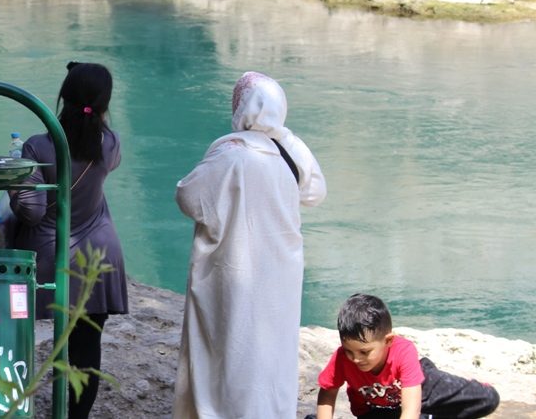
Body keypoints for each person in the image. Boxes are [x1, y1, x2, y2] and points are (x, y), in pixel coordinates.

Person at [172, 71, 327, 418]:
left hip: (233, 271)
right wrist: (282, 134)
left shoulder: (231, 153)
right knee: (272, 355)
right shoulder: (288, 153)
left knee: (229, 349)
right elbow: (315, 192)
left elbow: (188, 197)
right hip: (280, 274)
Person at [8, 62, 128, 419]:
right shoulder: (110, 143)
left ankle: (9, 401)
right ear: (104, 104)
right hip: (99, 255)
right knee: (87, 347)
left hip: (47, 257)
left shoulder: (38, 146)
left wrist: (14, 183)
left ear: (64, 96)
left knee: (15, 333)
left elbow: (31, 212)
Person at [312, 293, 500, 419]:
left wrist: (413, 412)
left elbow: (410, 410)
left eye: (364, 352)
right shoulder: (342, 358)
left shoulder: (404, 351)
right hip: (379, 410)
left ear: (388, 341)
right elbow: (328, 392)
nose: (355, 359)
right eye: (349, 351)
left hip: (420, 389)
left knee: (488, 399)